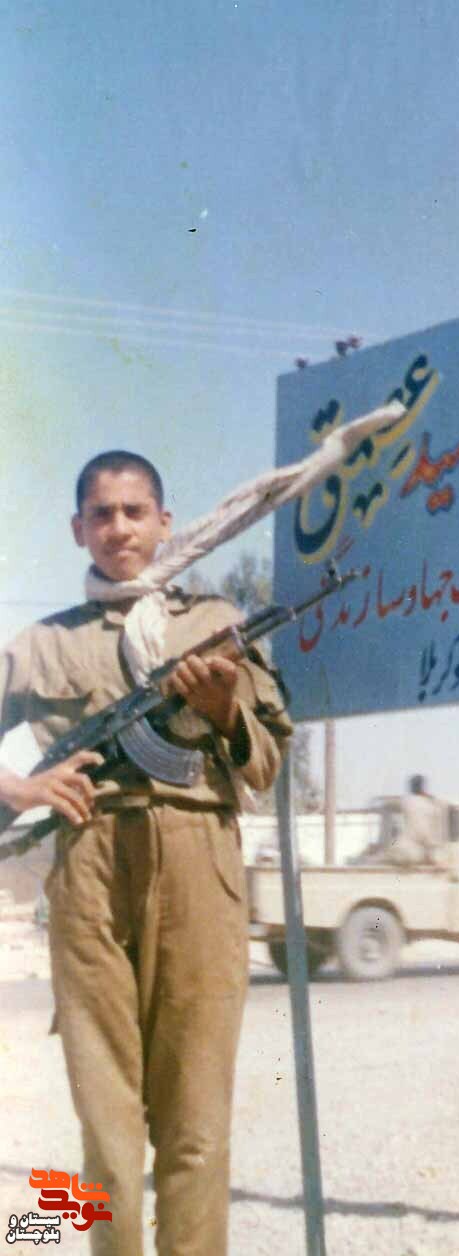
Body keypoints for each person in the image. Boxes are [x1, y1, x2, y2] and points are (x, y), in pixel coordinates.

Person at [0, 451, 292, 1256]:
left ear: (165, 523)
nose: (119, 528)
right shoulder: (42, 644)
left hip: (200, 859)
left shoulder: (215, 624)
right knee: (107, 1134)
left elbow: (268, 760)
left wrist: (225, 711)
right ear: (77, 529)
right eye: (101, 514)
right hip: (89, 862)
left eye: (135, 512)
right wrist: (22, 789)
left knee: (195, 1128)